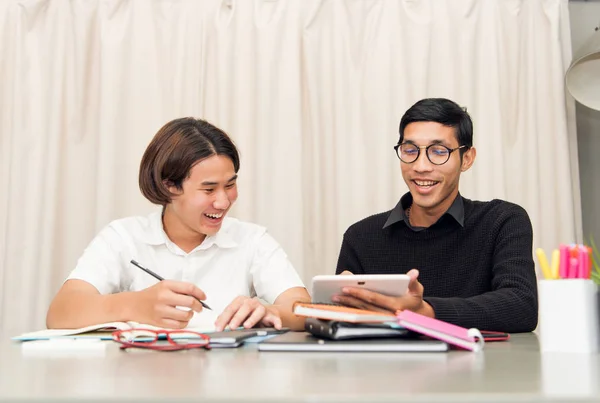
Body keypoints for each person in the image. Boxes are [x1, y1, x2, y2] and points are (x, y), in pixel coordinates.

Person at [46, 117, 310, 331]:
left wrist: (272, 311)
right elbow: (60, 313)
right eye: (208, 190)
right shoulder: (123, 237)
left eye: (230, 185)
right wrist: (133, 305)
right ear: (169, 186)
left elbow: (304, 309)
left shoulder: (252, 240)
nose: (223, 201)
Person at [333, 98, 538, 333]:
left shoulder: (501, 221)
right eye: (410, 150)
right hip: (387, 368)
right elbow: (345, 326)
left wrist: (426, 312)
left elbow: (522, 306)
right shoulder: (361, 237)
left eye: (438, 152)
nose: (421, 166)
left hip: (479, 368)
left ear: (467, 159)